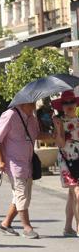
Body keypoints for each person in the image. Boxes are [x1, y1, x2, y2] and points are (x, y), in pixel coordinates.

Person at [0, 102, 50, 239]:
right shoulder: (10, 115)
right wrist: (0, 160)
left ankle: (5, 224)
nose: (34, 106)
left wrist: (54, 134)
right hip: (14, 163)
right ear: (23, 102)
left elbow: (37, 135)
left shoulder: (32, 117)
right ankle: (27, 228)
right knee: (21, 194)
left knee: (21, 196)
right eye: (32, 103)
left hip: (28, 163)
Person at [52, 90, 79, 237]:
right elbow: (61, 144)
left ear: (76, 103)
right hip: (66, 161)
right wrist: (57, 128)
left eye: (71, 102)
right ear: (61, 106)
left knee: (72, 194)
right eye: (65, 103)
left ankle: (68, 227)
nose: (69, 105)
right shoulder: (59, 122)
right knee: (77, 193)